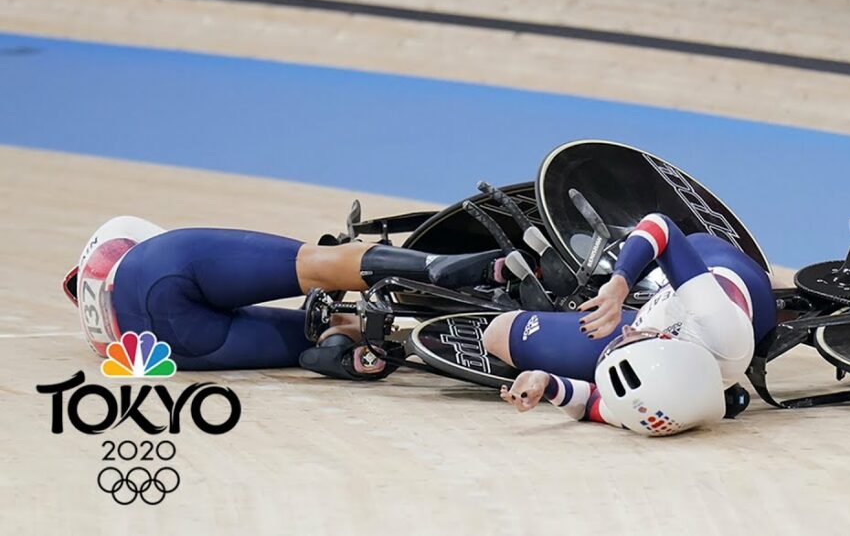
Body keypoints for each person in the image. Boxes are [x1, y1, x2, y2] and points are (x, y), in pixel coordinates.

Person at [63, 215, 509, 375]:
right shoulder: (117, 244)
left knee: (314, 333)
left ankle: (348, 347)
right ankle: (436, 266)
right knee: (317, 264)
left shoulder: (94, 325)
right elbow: (158, 243)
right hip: (155, 271)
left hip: (163, 346)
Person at [486, 212, 777, 435]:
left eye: (622, 342)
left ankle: (491, 271)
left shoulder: (646, 409)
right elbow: (661, 226)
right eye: (634, 339)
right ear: (665, 343)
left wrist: (545, 382)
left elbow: (590, 403)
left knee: (497, 334)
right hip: (714, 260)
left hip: (669, 332)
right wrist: (619, 283)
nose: (625, 331)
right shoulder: (720, 331)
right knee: (655, 246)